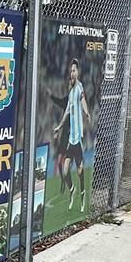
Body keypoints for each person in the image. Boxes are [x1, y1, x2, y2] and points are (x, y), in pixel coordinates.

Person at [51, 58, 96, 214]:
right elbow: (66, 113)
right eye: (71, 71)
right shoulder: (70, 93)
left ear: (78, 72)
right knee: (65, 171)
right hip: (72, 139)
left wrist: (87, 112)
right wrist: (59, 127)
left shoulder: (79, 87)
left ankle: (83, 196)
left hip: (79, 139)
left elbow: (83, 100)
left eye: (74, 70)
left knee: (80, 171)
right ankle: (72, 190)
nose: (72, 73)